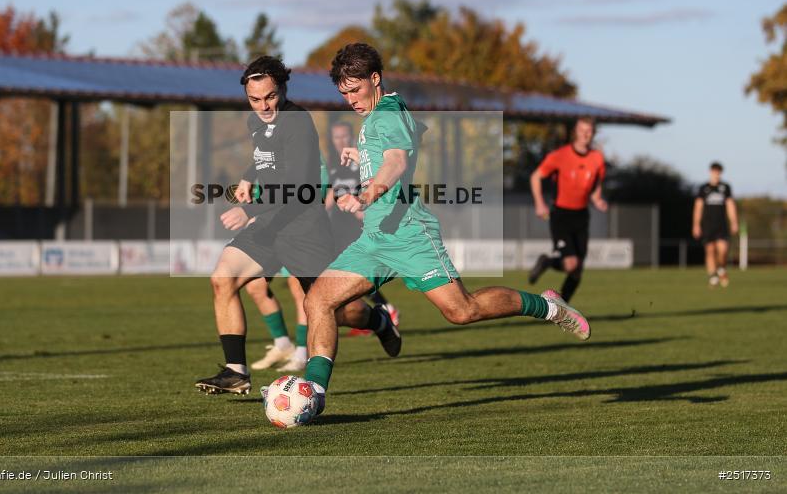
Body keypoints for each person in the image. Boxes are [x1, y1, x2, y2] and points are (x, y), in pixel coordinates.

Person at [275, 43, 591, 420]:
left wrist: (367, 192)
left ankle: (549, 306)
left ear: (375, 79)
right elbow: (395, 151)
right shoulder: (383, 111)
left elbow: (397, 161)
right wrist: (364, 161)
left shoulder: (387, 114)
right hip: (375, 239)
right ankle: (314, 393)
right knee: (318, 301)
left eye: (355, 90)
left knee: (462, 311)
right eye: (344, 93)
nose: (350, 100)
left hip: (410, 235)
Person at [195, 56, 398, 395]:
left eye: (271, 97)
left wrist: (249, 210)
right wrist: (248, 178)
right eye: (255, 99)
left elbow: (297, 183)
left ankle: (377, 320)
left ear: (284, 89)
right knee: (223, 278)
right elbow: (263, 158)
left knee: (336, 308)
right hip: (269, 225)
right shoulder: (256, 122)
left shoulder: (298, 122)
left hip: (303, 228)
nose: (264, 106)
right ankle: (235, 371)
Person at [325, 121, 399, 335]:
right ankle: (364, 314)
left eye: (345, 136)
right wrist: (319, 215)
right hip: (338, 226)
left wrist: (366, 210)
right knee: (348, 273)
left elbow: (378, 186)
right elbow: (332, 193)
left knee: (355, 272)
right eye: (336, 137)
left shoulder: (363, 162)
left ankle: (386, 310)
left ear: (352, 137)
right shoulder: (336, 165)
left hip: (356, 225)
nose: (341, 141)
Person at [527, 117, 608, 302]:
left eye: (589, 131)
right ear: (575, 132)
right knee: (571, 264)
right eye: (582, 130)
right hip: (561, 215)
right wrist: (539, 203)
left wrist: (597, 199)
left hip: (581, 215)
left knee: (578, 269)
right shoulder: (560, 156)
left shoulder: (597, 158)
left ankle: (562, 307)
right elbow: (535, 177)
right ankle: (547, 261)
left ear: (593, 133)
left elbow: (596, 184)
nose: (585, 134)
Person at [692, 162, 738, 287]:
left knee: (722, 250)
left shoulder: (725, 187)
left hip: (721, 224)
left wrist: (734, 222)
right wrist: (696, 224)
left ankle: (721, 268)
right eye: (714, 172)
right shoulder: (704, 188)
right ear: (710, 172)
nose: (716, 174)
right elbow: (698, 207)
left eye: (718, 172)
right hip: (707, 225)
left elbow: (730, 205)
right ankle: (713, 277)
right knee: (710, 250)